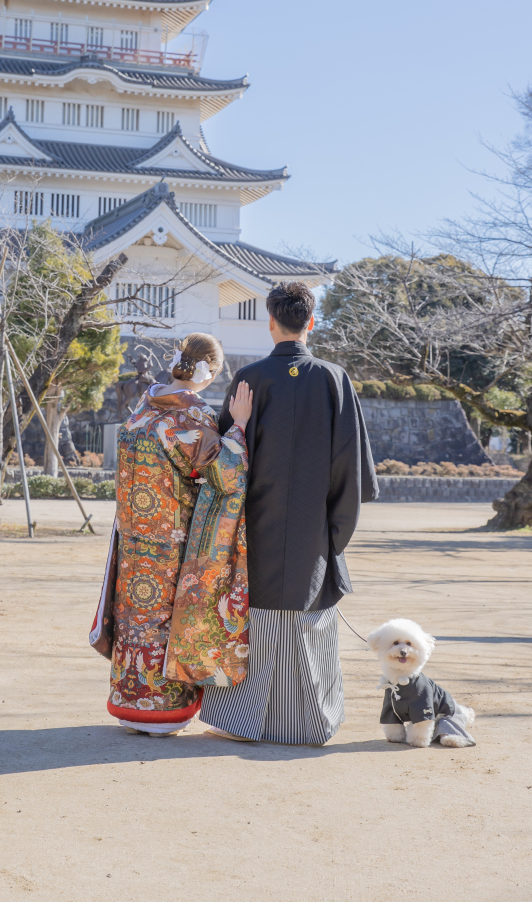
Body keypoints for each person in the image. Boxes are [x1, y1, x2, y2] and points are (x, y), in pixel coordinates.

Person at [199, 281, 378, 745]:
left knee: (255, 620)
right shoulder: (335, 378)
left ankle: (245, 721)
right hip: (313, 529)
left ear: (271, 323)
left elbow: (223, 465)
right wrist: (334, 535)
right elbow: (348, 465)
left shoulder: (249, 380)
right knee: (308, 619)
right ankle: (310, 722)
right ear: (311, 322)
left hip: (253, 529)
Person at [90, 333, 253, 736]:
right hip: (171, 536)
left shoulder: (143, 408)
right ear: (210, 373)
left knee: (134, 614)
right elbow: (227, 473)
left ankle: (128, 701)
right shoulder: (189, 416)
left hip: (132, 534)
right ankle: (162, 710)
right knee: (164, 616)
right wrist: (241, 426)